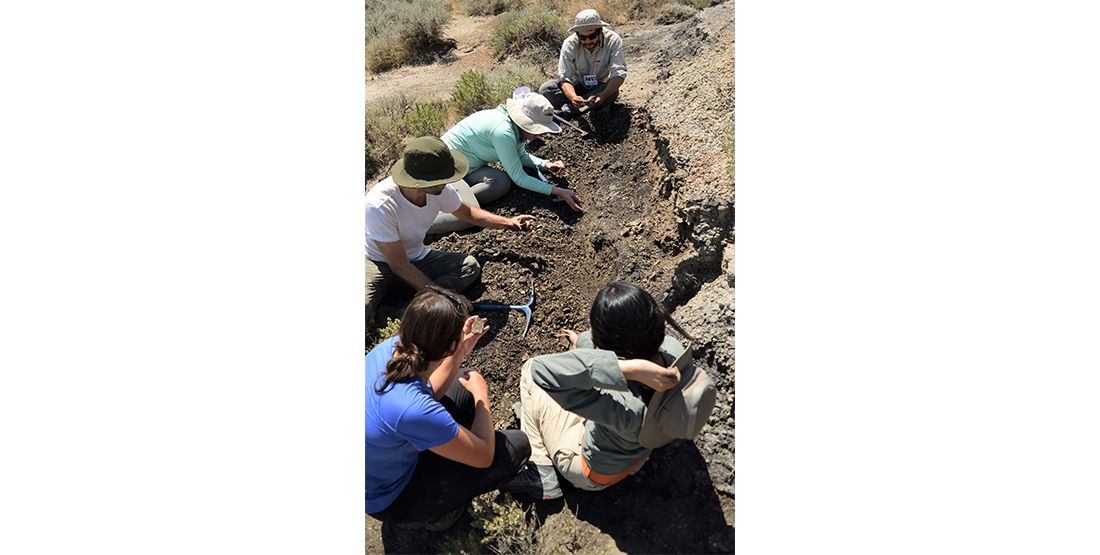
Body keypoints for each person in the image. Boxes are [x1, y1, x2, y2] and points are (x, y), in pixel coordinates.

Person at [366, 286, 532, 530]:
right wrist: (481, 397)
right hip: (392, 496)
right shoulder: (413, 410)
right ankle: (434, 517)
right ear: (448, 347)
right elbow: (485, 456)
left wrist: (460, 353)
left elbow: (428, 392)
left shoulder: (392, 347)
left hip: (384, 457)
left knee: (461, 381)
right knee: (516, 447)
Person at [503, 281, 686, 500]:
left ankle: (539, 470)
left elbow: (541, 371)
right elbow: (624, 341)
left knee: (530, 369)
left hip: (591, 471)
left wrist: (628, 368)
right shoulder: (675, 351)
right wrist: (580, 341)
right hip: (636, 453)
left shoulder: (622, 404)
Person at [365, 136, 535, 327]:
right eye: (441, 179)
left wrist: (509, 223)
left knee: (468, 267)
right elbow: (398, 265)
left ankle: (407, 308)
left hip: (416, 257)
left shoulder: (438, 189)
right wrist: (445, 295)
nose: (447, 184)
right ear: (418, 182)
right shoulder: (379, 205)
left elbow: (468, 213)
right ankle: (394, 313)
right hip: (378, 262)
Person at [429, 93, 583, 234]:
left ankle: (455, 201)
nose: (542, 135)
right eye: (539, 129)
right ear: (526, 122)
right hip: (447, 169)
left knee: (500, 182)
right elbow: (519, 178)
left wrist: (545, 164)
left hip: (469, 167)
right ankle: (419, 226)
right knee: (468, 216)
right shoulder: (503, 131)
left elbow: (520, 155)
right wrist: (558, 191)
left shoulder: (515, 128)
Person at [538, 9, 627, 118]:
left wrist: (603, 96)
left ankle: (568, 110)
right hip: (576, 85)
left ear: (599, 31)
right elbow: (564, 78)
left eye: (592, 36)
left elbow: (618, 73)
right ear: (577, 34)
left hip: (599, 87)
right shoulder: (569, 44)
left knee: (612, 92)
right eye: (583, 38)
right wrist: (573, 97)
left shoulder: (612, 40)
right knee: (546, 89)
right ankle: (583, 106)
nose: (588, 41)